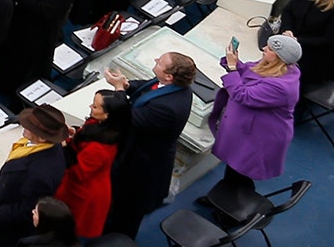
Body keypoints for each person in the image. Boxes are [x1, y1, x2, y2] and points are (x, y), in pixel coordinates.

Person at [101, 52, 197, 236]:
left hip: (142, 167)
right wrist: (127, 85)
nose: (155, 60)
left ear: (169, 75)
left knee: (125, 211)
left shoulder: (167, 108)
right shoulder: (173, 86)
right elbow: (147, 87)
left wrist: (119, 89)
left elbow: (126, 118)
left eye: (159, 62)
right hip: (135, 154)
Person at [210, 33, 302, 192]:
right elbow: (249, 71)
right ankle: (225, 197)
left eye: (270, 48)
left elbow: (242, 95)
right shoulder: (271, 65)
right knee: (235, 167)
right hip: (249, 128)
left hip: (260, 136)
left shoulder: (281, 87)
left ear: (279, 57)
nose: (264, 49)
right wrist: (235, 63)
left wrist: (232, 68)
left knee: (241, 171)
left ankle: (232, 207)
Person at [0, 104, 70, 247]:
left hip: (6, 229)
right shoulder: (42, 147)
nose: (24, 125)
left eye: (30, 127)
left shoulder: (40, 174)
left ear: (42, 138)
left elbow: (27, 209)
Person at [54, 89, 129, 239]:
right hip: (82, 182)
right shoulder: (101, 124)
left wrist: (64, 147)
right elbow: (84, 136)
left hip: (83, 192)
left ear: (107, 115)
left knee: (65, 230)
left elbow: (78, 172)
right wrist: (74, 134)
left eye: (95, 107)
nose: (90, 107)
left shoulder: (100, 148)